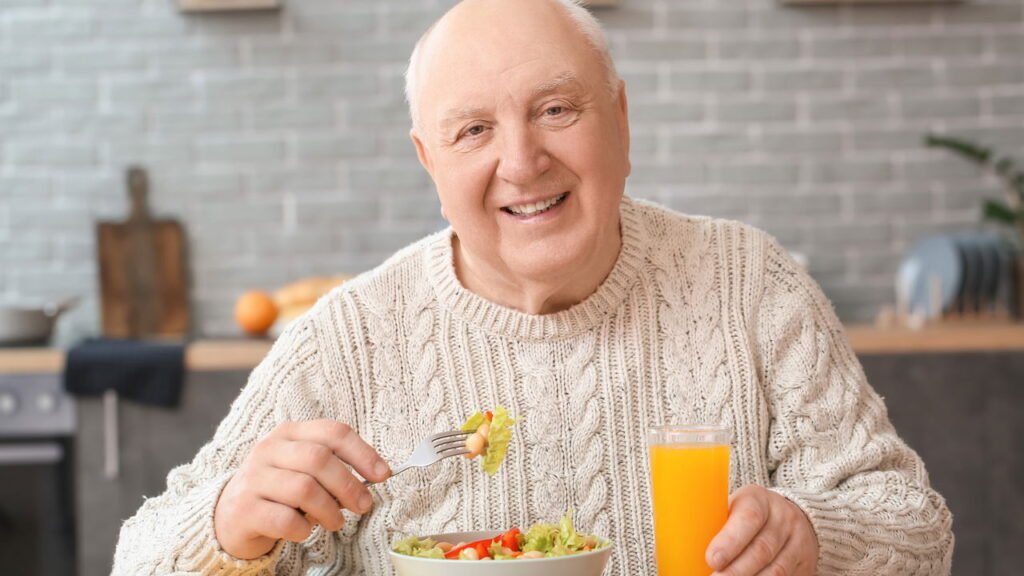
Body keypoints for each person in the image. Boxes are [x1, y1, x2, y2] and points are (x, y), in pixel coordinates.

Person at [112, 0, 954, 574]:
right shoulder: (347, 338)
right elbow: (140, 556)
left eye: (556, 110)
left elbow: (917, 529)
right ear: (429, 161)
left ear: (621, 120)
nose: (521, 162)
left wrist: (816, 535)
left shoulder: (749, 284)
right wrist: (228, 527)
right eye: (474, 130)